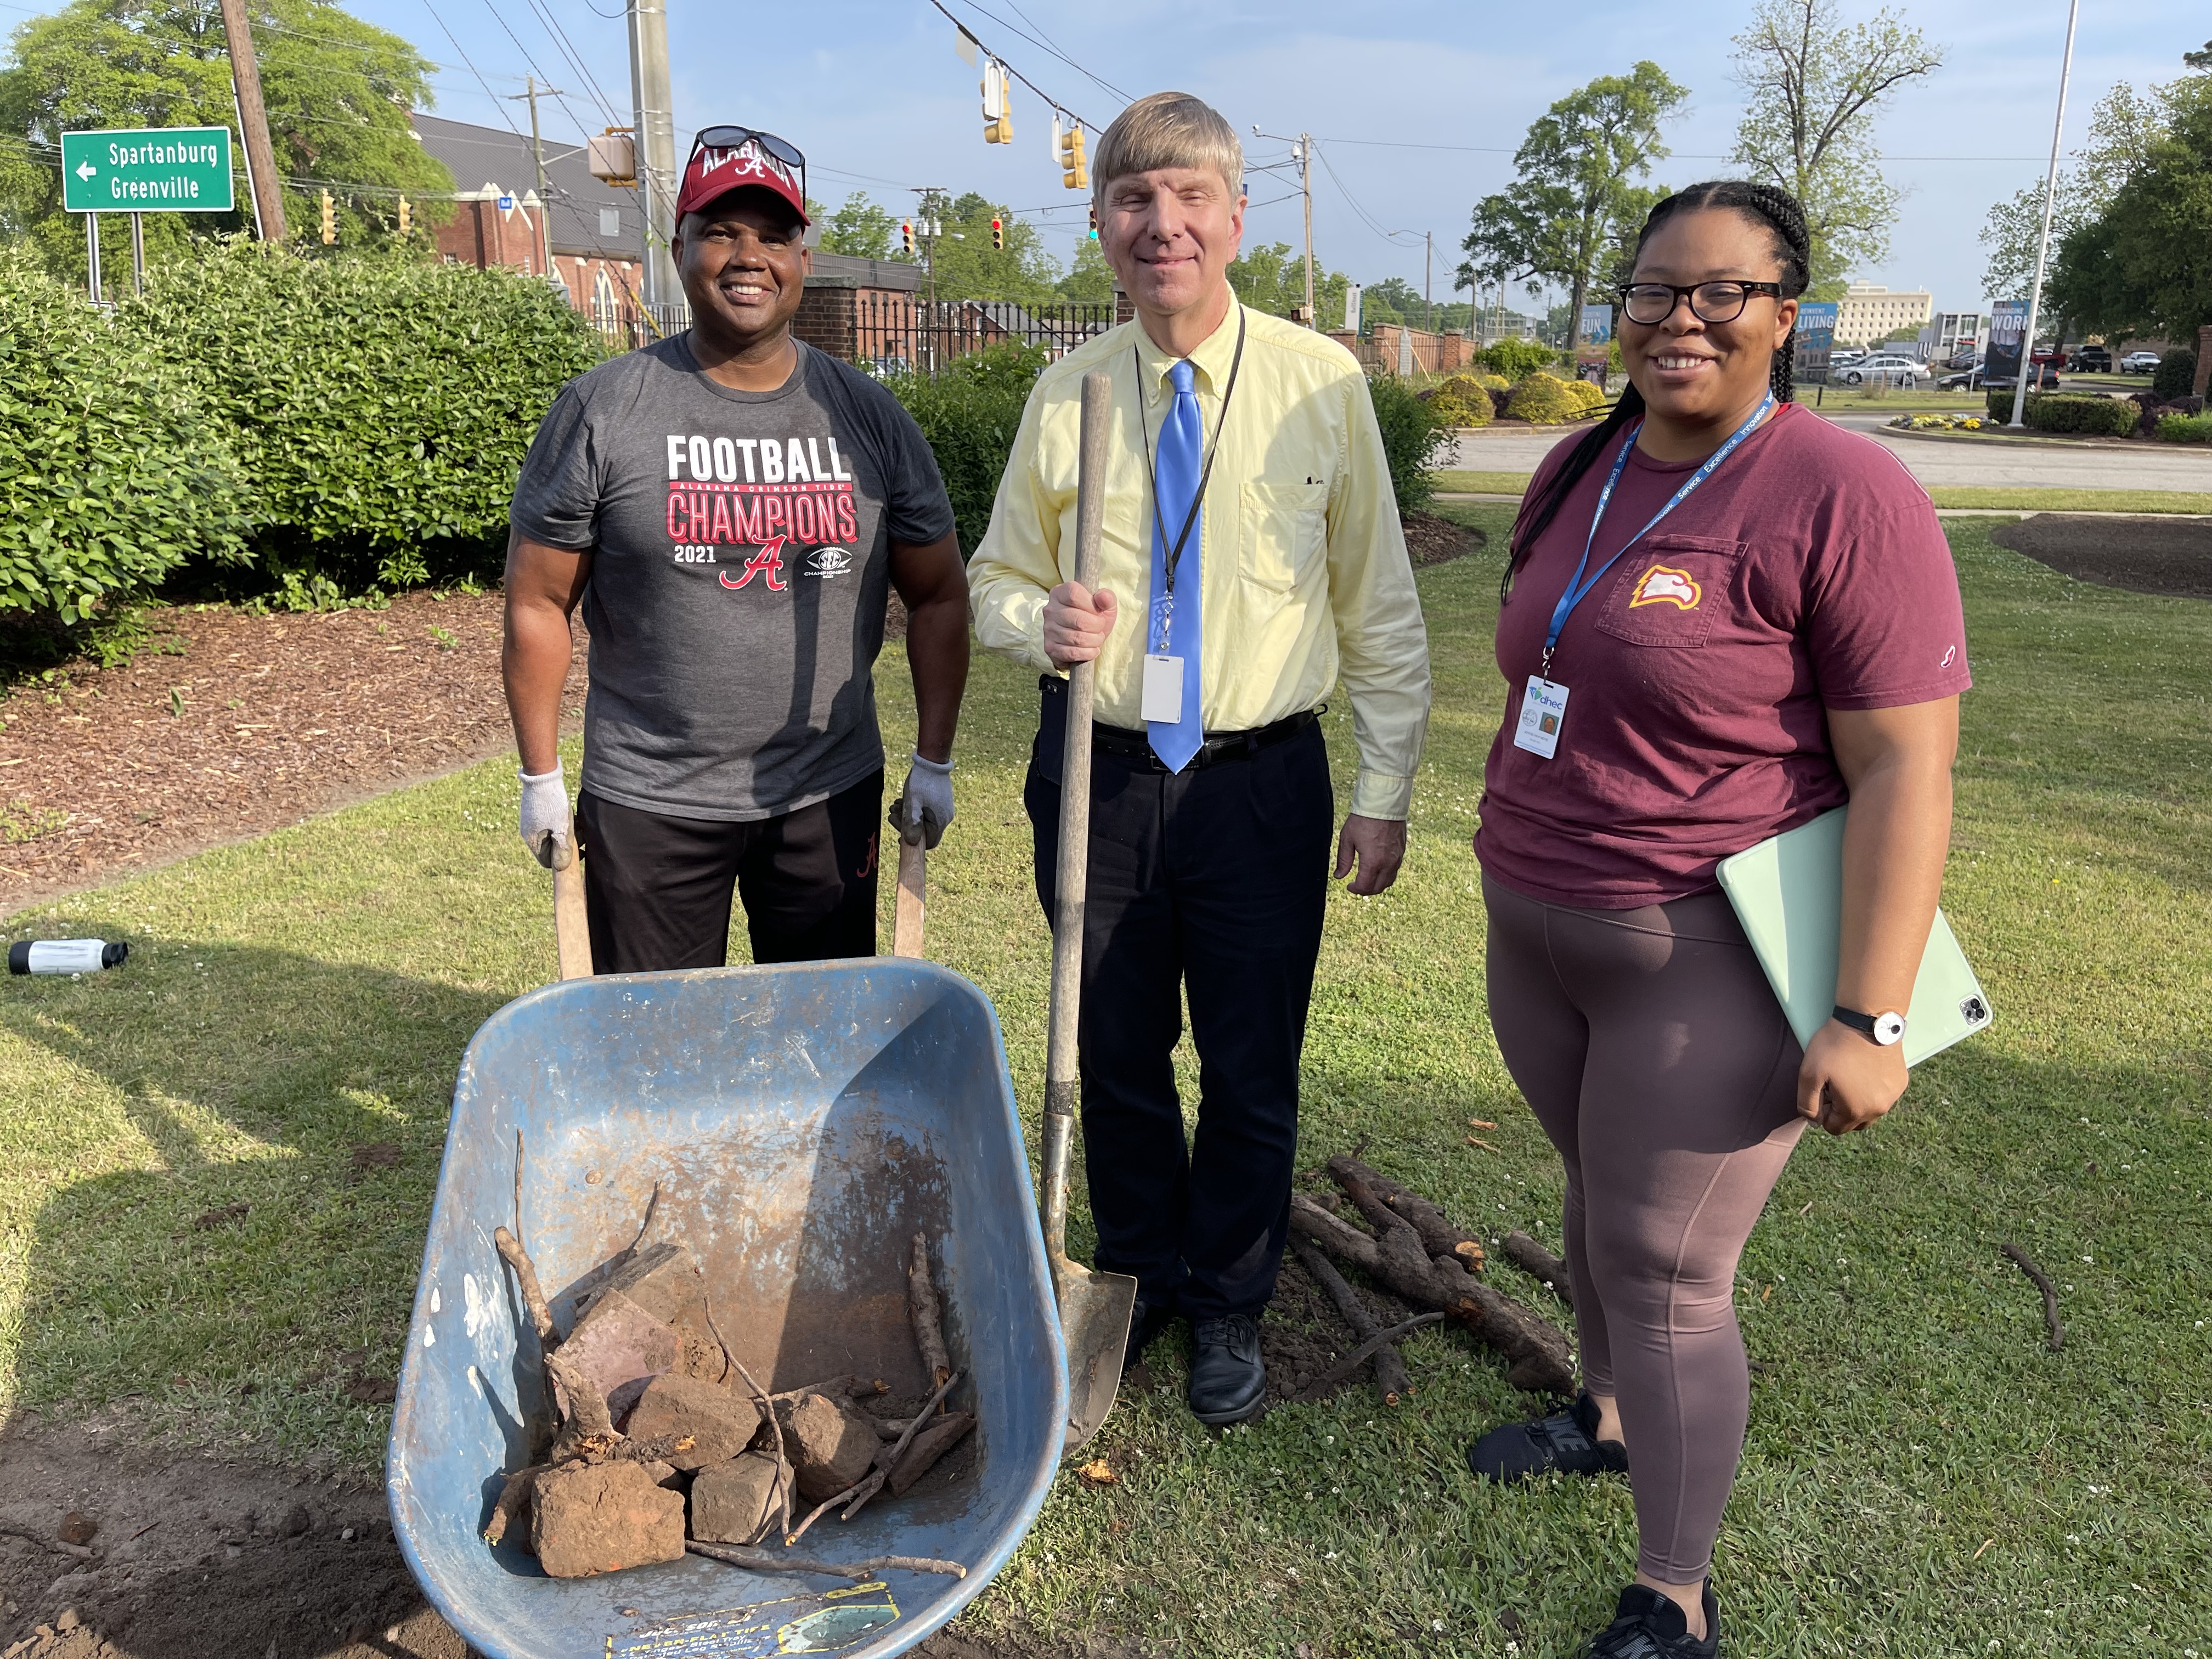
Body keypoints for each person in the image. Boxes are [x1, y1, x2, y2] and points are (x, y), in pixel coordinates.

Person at [1461, 180, 1971, 1657]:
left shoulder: (1844, 494)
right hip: (1539, 922)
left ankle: (1672, 1593)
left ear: (1783, 315)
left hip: (1709, 947)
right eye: (1651, 290)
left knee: (1669, 1265)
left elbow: (1905, 768)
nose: (1678, 318)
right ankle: (1608, 1415)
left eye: (1719, 293)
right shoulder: (1581, 464)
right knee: (1594, 1197)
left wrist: (1871, 1015)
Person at [967, 92, 1431, 1425]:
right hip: (1100, 776)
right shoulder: (1067, 394)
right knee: (1111, 1045)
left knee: (1248, 1058)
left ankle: (1229, 1298)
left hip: (1259, 782)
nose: (1160, 225)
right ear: (1102, 224)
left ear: (1234, 217)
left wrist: (1386, 790)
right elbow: (1000, 576)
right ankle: (1139, 1268)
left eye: (1187, 199)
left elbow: (1379, 605)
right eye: (1131, 200)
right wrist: (1034, 621)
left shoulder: (1319, 385)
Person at [503, 126, 969, 972]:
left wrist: (932, 759)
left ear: (804, 256)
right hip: (651, 800)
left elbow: (939, 594)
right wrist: (540, 777)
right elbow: (538, 600)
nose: (747, 256)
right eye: (721, 230)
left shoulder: (869, 417)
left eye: (773, 234)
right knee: (661, 1055)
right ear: (679, 246)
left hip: (826, 798)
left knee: (816, 1048)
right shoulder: (603, 410)